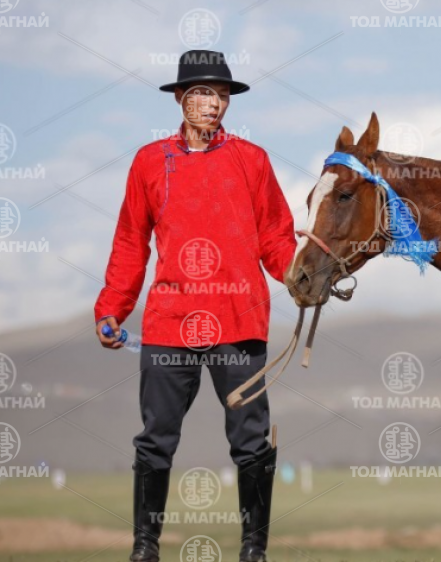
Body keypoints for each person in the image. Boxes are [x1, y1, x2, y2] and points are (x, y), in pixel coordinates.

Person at [94, 50, 296, 562]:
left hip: (239, 319)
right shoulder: (148, 161)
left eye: (223, 94)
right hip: (168, 321)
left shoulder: (252, 159)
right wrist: (112, 306)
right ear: (181, 98)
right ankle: (145, 549)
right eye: (203, 93)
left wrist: (299, 277)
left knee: (252, 444)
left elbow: (276, 234)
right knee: (155, 440)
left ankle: (254, 550)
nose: (214, 103)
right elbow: (130, 241)